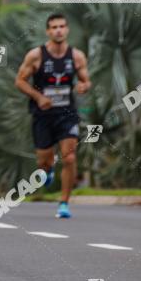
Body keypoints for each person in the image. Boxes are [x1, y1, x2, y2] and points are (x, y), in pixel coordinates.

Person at [15, 13, 92, 219]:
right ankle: (47, 170)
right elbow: (20, 81)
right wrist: (38, 97)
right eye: (54, 27)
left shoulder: (76, 56)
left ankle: (64, 204)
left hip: (67, 113)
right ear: (48, 31)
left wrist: (83, 86)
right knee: (44, 160)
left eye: (62, 26)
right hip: (43, 115)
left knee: (70, 157)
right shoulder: (36, 56)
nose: (58, 30)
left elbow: (85, 80)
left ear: (67, 30)